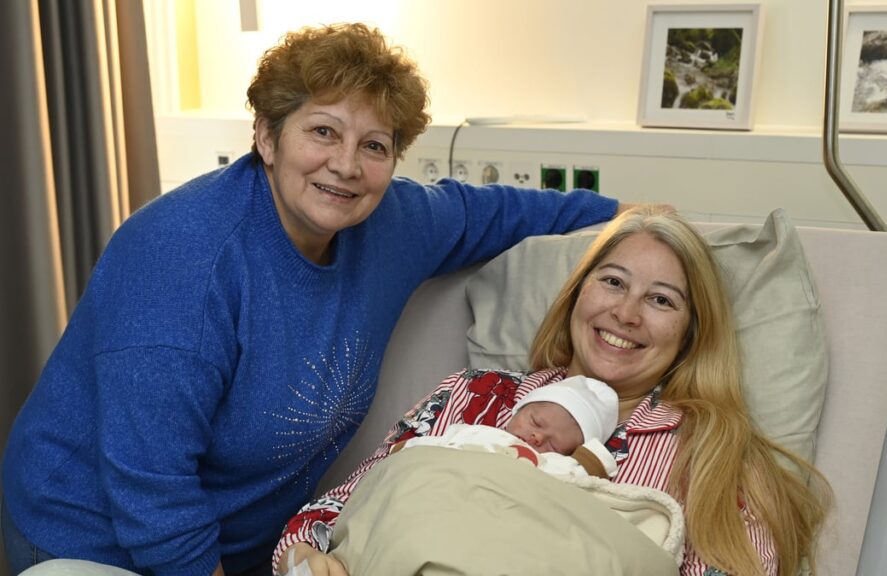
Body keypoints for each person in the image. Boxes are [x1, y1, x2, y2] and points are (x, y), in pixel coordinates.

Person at [1, 23, 626, 576]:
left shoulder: (395, 222)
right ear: (267, 139)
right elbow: (151, 490)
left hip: (246, 545)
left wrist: (633, 221)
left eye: (374, 146)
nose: (347, 165)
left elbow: (495, 211)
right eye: (322, 131)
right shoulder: (183, 261)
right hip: (93, 540)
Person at [273, 206, 833, 576]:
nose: (626, 312)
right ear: (575, 297)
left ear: (691, 335)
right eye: (612, 281)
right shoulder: (474, 397)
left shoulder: (719, 457)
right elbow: (332, 514)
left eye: (662, 300)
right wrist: (307, 559)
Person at [396, 374, 621, 478]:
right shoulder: (478, 433)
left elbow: (584, 475)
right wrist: (407, 449)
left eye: (555, 444)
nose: (537, 438)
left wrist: (588, 462)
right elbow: (439, 445)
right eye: (536, 422)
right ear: (518, 411)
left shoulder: (550, 466)